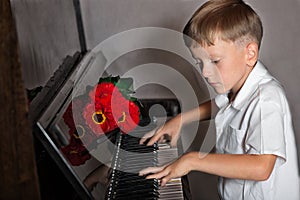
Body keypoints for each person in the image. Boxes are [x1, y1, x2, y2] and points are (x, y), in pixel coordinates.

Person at [139, 0, 300, 199]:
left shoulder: (266, 99)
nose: (206, 72)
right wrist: (180, 120)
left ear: (250, 54)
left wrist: (193, 160)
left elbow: (261, 167)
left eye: (215, 61)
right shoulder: (237, 88)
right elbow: (219, 105)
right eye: (200, 62)